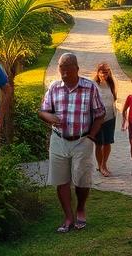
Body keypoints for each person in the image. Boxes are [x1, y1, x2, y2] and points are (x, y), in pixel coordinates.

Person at [38, 53, 105, 233]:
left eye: (68, 69)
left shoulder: (89, 88)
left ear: (77, 69)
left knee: (82, 179)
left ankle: (80, 208)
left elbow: (100, 114)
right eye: (62, 69)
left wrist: (91, 136)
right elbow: (42, 111)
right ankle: (68, 217)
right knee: (61, 180)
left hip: (82, 139)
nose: (65, 73)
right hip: (58, 139)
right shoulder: (54, 87)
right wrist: (49, 116)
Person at [92, 62, 118, 177]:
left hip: (110, 117)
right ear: (98, 72)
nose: (105, 74)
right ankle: (100, 165)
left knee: (107, 142)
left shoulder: (111, 83)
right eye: (103, 72)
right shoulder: (93, 85)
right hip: (97, 119)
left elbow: (114, 98)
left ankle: (104, 164)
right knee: (99, 143)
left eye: (107, 72)